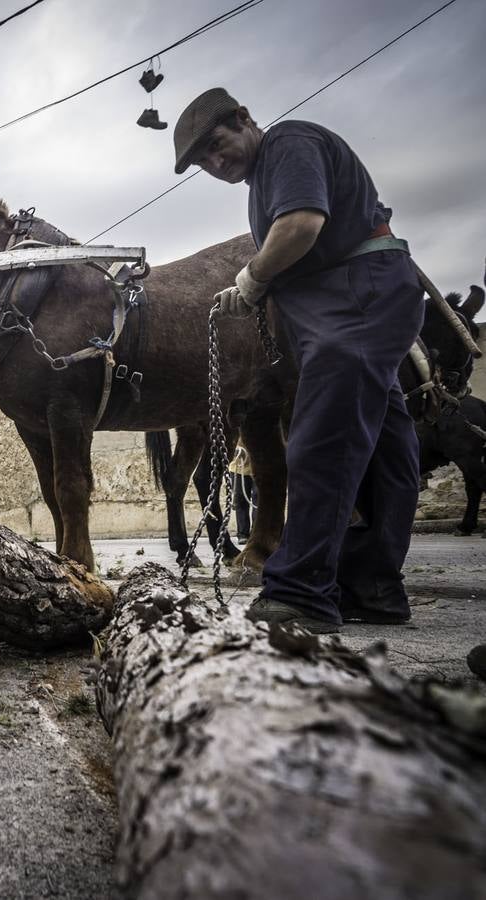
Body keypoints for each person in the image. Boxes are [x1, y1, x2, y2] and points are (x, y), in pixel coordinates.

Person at [173, 87, 423, 634]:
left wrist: (253, 277)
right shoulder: (264, 176)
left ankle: (303, 592)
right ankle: (371, 585)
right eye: (204, 163)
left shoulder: (287, 142)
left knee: (321, 440)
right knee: (385, 449)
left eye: (218, 145)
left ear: (244, 119)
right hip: (356, 303)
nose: (217, 163)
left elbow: (302, 225)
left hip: (355, 298)